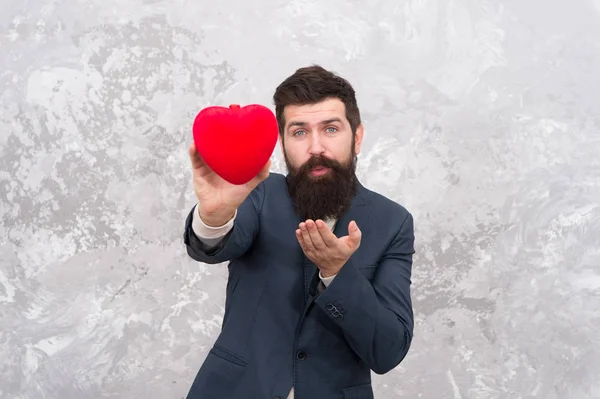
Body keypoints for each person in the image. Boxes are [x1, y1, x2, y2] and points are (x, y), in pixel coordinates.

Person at [183, 65, 415, 399]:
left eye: (331, 129)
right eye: (299, 132)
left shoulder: (393, 221)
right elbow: (213, 246)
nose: (316, 147)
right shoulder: (259, 193)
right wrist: (215, 213)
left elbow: (388, 350)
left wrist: (337, 273)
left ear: (358, 136)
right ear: (283, 142)